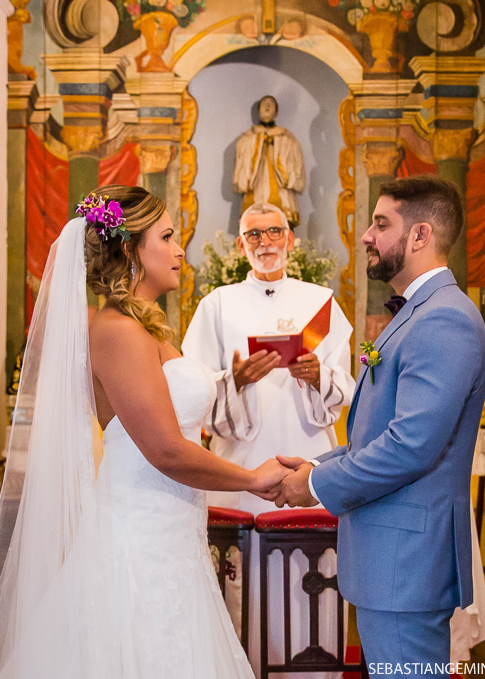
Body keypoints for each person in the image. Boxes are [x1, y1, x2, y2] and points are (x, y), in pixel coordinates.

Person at [0, 185, 290, 679]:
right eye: (166, 236)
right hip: (138, 539)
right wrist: (251, 479)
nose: (181, 249)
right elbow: (164, 449)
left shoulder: (147, 327)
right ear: (129, 249)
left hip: (170, 531)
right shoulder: (118, 330)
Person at [270, 176, 485, 671]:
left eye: (381, 223)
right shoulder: (417, 314)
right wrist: (310, 463)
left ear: (420, 236)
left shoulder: (443, 319)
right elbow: (376, 435)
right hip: (392, 563)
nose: (367, 236)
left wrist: (315, 484)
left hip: (405, 566)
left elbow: (409, 447)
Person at [182, 201, 355, 676]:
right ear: (241, 245)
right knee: (245, 577)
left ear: (290, 239)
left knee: (312, 576)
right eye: (254, 235)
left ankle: (314, 668)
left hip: (309, 456)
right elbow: (193, 391)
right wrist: (234, 381)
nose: (265, 243)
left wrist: (318, 374)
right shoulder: (215, 305)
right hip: (240, 469)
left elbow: (347, 386)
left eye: (274, 232)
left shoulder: (320, 302)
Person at [232, 96, 305, 226]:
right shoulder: (248, 137)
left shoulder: (285, 136)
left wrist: (276, 143)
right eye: (264, 104)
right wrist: (259, 141)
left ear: (276, 112)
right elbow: (242, 154)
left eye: (271, 104)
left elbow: (294, 155)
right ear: (258, 111)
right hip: (257, 186)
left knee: (282, 223)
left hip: (279, 185)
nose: (267, 106)